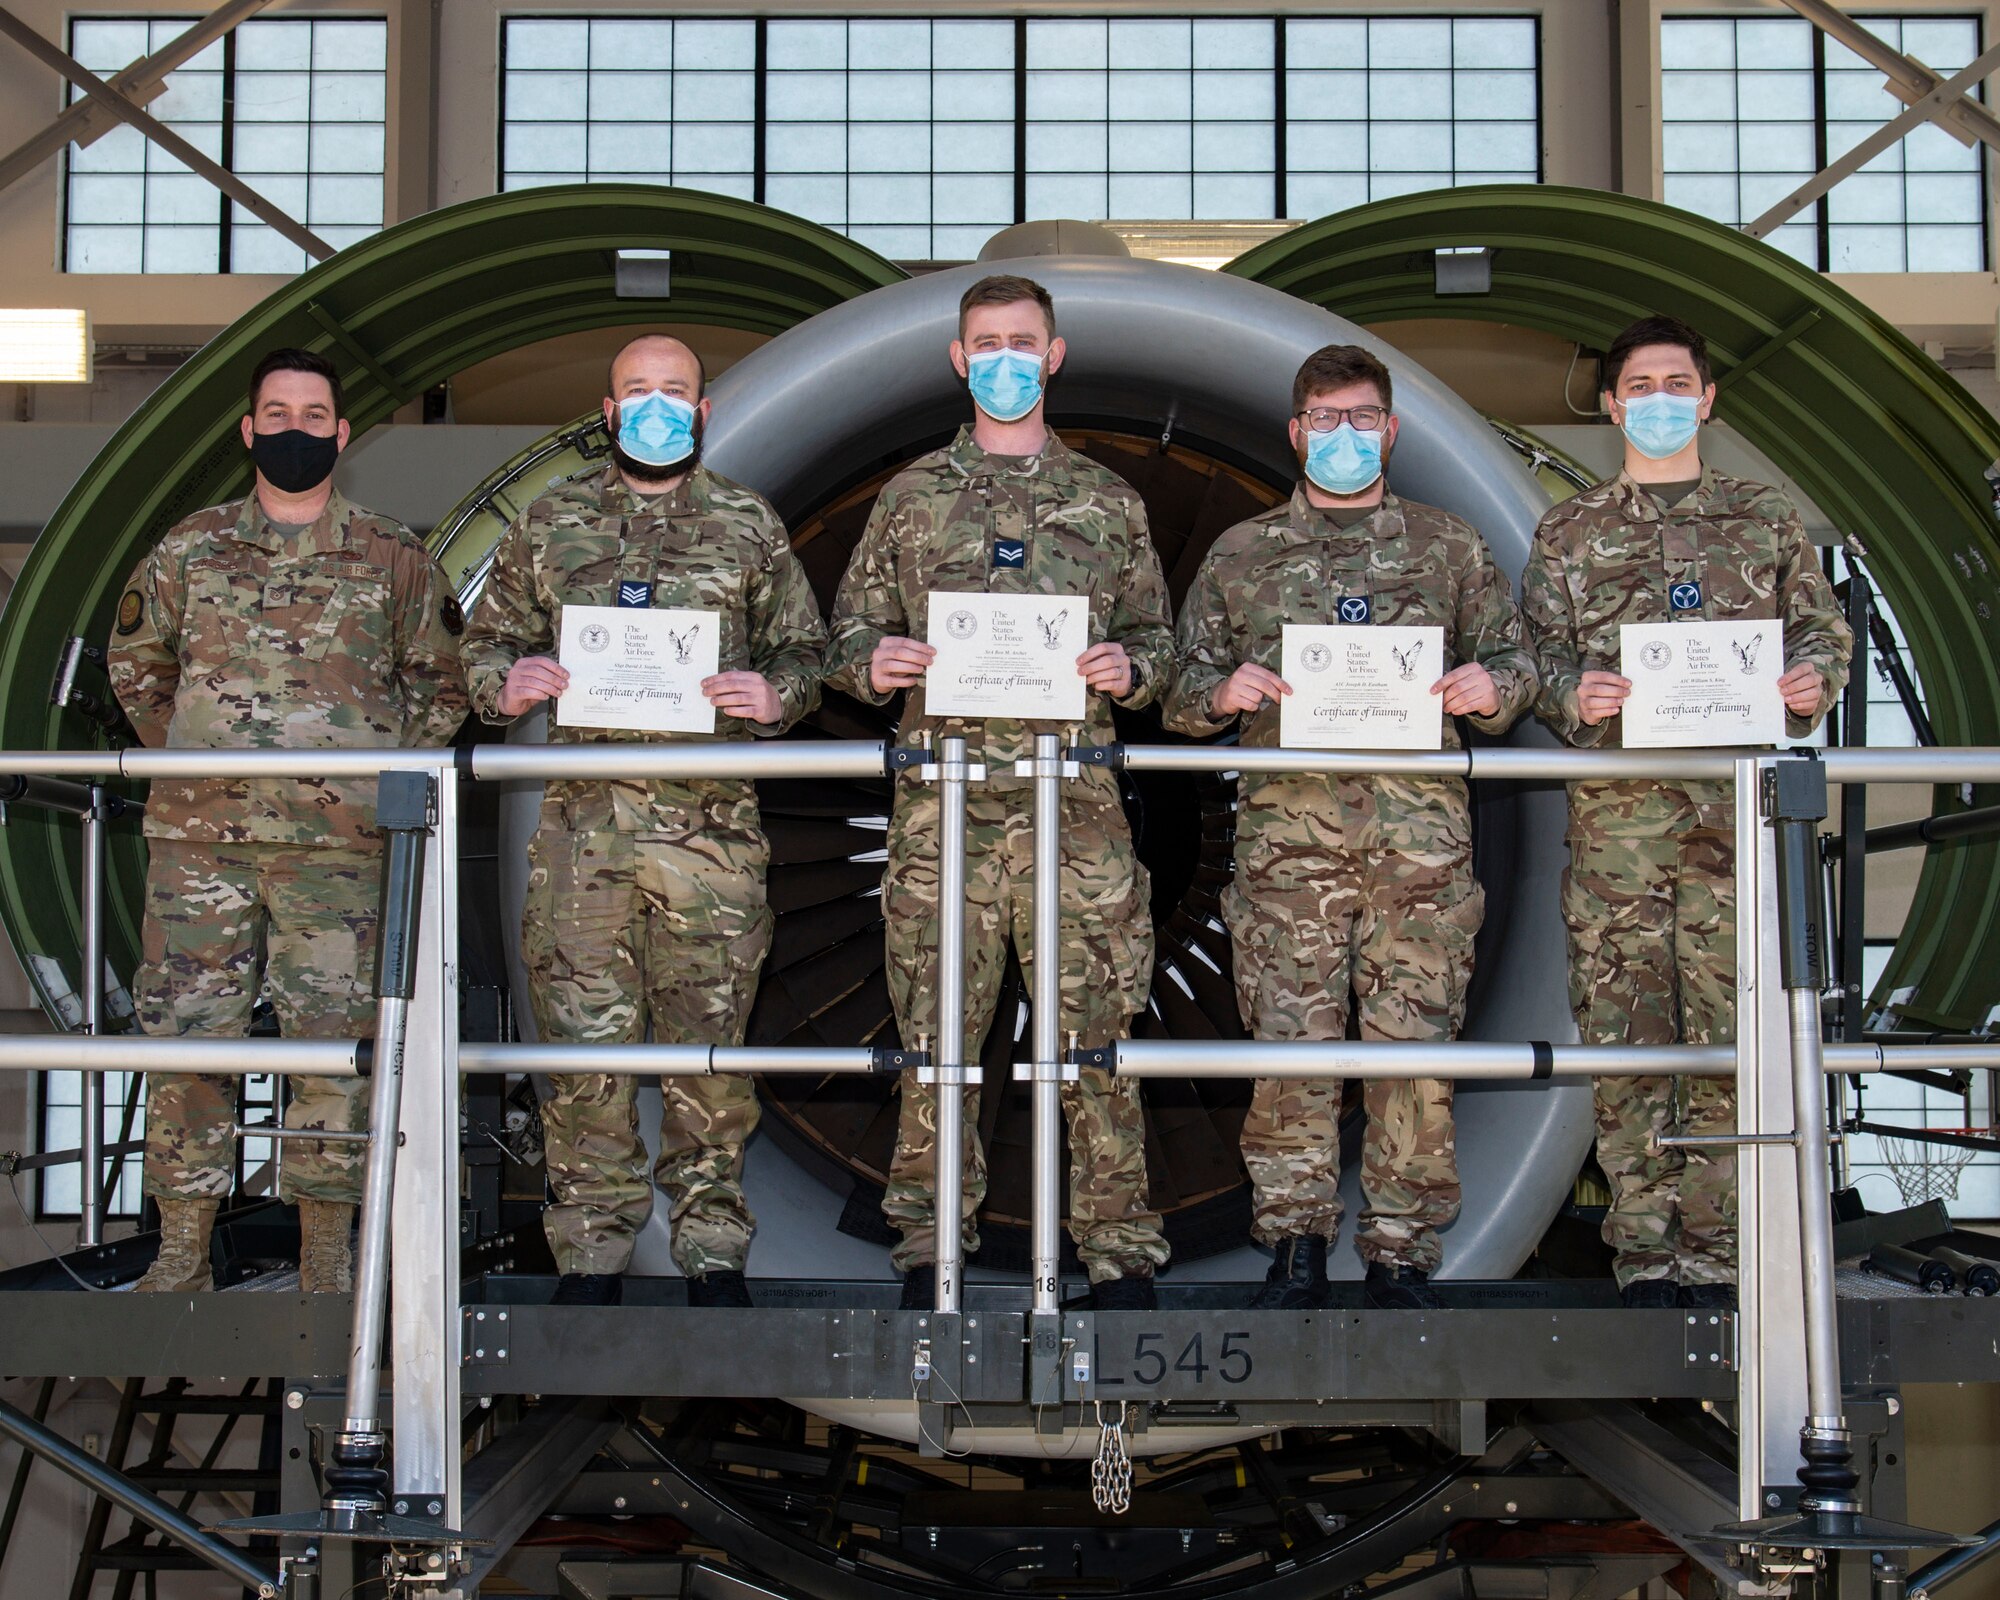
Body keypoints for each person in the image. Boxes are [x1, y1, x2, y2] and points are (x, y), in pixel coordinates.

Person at [1164, 343, 1537, 1310]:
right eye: (1325, 421)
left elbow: (1516, 662)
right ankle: (1295, 1241)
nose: (1344, 436)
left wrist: (1489, 686)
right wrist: (1220, 690)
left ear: (1391, 428)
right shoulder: (1243, 555)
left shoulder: (1448, 548)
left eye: (1362, 418)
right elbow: (1175, 685)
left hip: (1419, 856)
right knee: (1291, 1049)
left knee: (1415, 1051)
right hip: (1291, 856)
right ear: (1296, 433)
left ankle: (1403, 1249)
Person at [825, 274, 1171, 1310]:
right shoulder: (909, 499)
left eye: (1024, 340)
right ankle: (931, 1244)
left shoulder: (1108, 502)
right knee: (937, 1039)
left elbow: (1158, 641)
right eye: (987, 341)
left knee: (1096, 1036)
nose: (1006, 357)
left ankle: (1115, 1248)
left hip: (1075, 814)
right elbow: (843, 636)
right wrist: (871, 663)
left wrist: (1129, 671)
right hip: (948, 813)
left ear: (1053, 356)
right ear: (958, 357)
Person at [462, 332, 824, 1308]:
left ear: (700, 414)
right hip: (583, 839)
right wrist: (508, 681)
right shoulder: (551, 522)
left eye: (675, 392)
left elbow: (805, 652)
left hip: (708, 844)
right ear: (610, 410)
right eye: (638, 392)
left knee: (710, 1058)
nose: (656, 407)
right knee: (586, 1060)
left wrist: (771, 691)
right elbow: (484, 641)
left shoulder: (747, 526)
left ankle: (710, 1248)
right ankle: (592, 1250)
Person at [108, 346, 468, 1293]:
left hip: (338, 851)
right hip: (200, 846)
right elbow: (138, 669)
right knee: (187, 1038)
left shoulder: (392, 556)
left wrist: (364, 783)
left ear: (343, 435)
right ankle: (182, 1243)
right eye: (278, 414)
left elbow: (440, 688)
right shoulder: (189, 549)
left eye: (314, 416)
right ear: (249, 430)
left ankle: (327, 1250)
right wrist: (199, 763)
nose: (295, 431)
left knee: (336, 1047)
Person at [1520, 313, 1853, 1309]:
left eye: (1676, 384)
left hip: (1733, 827)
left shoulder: (1764, 518)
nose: (1658, 400)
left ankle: (1717, 1253)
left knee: (1727, 1033)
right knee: (1626, 1042)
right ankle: (1643, 1251)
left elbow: (1822, 632)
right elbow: (1530, 659)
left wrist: (1809, 682)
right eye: (1640, 385)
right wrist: (1569, 692)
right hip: (1618, 829)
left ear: (1704, 399)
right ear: (1612, 404)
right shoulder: (1569, 532)